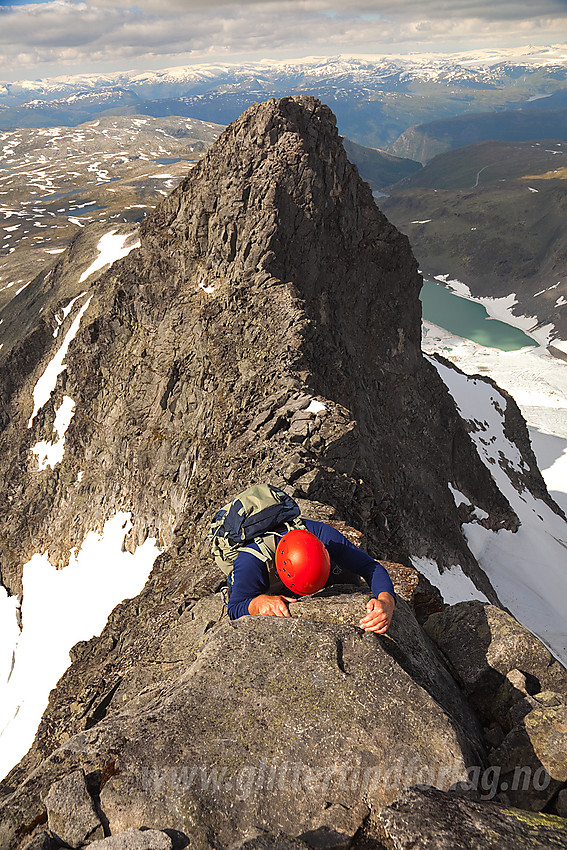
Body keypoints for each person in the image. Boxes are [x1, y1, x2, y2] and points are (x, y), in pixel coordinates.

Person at [227, 518, 396, 633]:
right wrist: (256, 603)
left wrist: (387, 601)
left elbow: (369, 566)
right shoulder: (251, 563)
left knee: (348, 574)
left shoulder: (323, 535)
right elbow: (234, 610)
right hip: (261, 575)